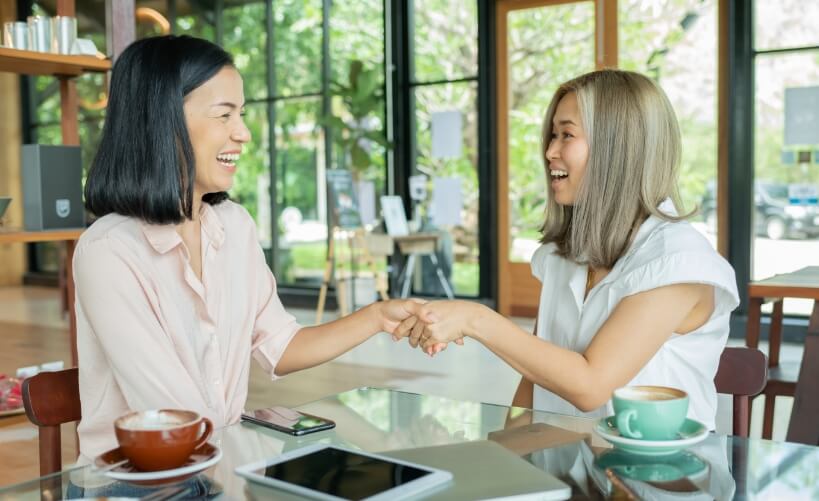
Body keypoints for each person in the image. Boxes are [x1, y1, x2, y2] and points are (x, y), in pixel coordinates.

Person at [73, 35, 424, 460]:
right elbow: (175, 415)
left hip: (214, 465)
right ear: (162, 121)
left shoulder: (234, 227)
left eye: (241, 114)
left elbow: (281, 346)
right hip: (134, 481)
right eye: (224, 115)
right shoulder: (108, 250)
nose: (243, 133)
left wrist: (377, 317)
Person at [399, 69, 738, 430]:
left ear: (616, 147)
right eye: (552, 136)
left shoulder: (678, 260)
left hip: (664, 478)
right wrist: (503, 451)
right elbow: (534, 378)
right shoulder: (566, 254)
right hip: (573, 469)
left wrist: (474, 319)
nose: (549, 152)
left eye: (566, 135)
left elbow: (590, 386)